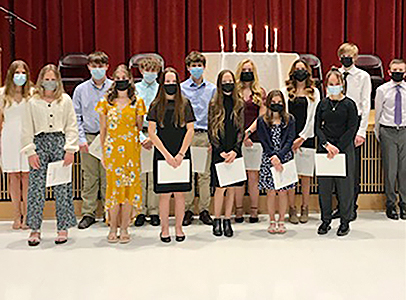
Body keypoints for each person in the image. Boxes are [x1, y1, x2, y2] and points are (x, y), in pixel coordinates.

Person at [21, 64, 79, 246]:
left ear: (58, 81)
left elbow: (71, 126)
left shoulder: (65, 100)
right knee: (36, 188)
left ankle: (63, 227)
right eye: (46, 79)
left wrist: (70, 149)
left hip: (60, 143)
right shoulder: (32, 101)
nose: (50, 83)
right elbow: (26, 128)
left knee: (63, 187)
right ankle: (34, 228)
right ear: (40, 81)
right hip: (40, 143)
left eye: (53, 79)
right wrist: (30, 151)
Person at [96, 64, 145, 243]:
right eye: (117, 78)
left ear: (130, 79)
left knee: (128, 191)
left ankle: (125, 227)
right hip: (112, 150)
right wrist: (103, 153)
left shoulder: (138, 102)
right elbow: (103, 129)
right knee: (114, 190)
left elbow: (139, 127)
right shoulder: (105, 102)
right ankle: (113, 227)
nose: (121, 81)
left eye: (124, 77)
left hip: (132, 151)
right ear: (113, 80)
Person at [147, 67, 195, 243]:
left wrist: (181, 153)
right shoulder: (155, 105)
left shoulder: (185, 104)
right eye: (167, 82)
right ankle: (165, 229)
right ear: (162, 83)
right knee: (165, 195)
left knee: (180, 194)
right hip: (162, 153)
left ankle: (179, 228)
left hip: (182, 153)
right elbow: (152, 132)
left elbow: (190, 130)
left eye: (173, 81)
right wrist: (166, 155)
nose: (170, 84)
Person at [315, 68, 358, 237]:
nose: (334, 86)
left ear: (342, 85)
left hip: (343, 149)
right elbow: (317, 127)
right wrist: (326, 144)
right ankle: (326, 220)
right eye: (331, 84)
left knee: (344, 187)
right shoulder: (323, 104)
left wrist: (338, 147)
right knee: (325, 187)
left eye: (337, 84)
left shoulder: (349, 104)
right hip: (325, 149)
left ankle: (345, 221)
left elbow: (352, 128)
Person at [73, 51, 113, 229]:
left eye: (101, 66)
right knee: (90, 177)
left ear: (107, 67)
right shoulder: (81, 90)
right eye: (94, 66)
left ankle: (108, 212)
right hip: (88, 137)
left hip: (109, 138)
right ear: (89, 67)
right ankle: (88, 213)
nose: (97, 69)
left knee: (107, 177)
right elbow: (76, 116)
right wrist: (81, 139)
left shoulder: (113, 88)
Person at [335, 43, 371, 221]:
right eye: (343, 55)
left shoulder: (362, 76)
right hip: (336, 123)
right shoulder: (336, 75)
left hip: (354, 123)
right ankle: (339, 205)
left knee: (352, 168)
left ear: (355, 58)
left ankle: (351, 206)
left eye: (350, 56)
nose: (346, 58)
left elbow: (366, 104)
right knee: (337, 166)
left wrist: (362, 131)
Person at [282, 59, 320, 224]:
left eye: (303, 69)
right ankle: (291, 208)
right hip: (288, 140)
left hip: (307, 138)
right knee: (290, 176)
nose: (300, 72)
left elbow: (314, 117)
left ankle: (305, 206)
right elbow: (282, 115)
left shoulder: (314, 92)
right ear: (292, 72)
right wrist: (291, 139)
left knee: (305, 176)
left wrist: (303, 137)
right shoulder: (285, 91)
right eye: (297, 69)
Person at [181, 51, 216, 226]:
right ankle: (187, 210)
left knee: (204, 175)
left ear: (204, 67)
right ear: (188, 68)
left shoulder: (212, 89)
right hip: (187, 135)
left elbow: (215, 115)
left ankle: (204, 210)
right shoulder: (181, 88)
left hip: (203, 135)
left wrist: (212, 138)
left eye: (199, 65)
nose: (196, 68)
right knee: (188, 173)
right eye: (193, 65)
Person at [208, 70, 245, 237]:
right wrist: (221, 151)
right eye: (225, 80)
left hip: (234, 151)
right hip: (219, 150)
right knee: (220, 188)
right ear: (220, 83)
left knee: (231, 188)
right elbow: (211, 130)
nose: (228, 83)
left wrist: (235, 151)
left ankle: (227, 220)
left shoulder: (239, 103)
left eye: (230, 80)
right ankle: (217, 219)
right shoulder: (214, 104)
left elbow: (241, 129)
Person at [257, 90, 296, 234]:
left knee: (283, 191)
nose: (276, 105)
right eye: (273, 103)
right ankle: (272, 220)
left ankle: (281, 220)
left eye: (279, 102)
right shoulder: (262, 120)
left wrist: (279, 156)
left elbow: (290, 139)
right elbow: (264, 141)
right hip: (269, 158)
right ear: (268, 103)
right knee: (271, 192)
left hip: (284, 159)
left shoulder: (289, 119)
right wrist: (273, 157)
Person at [0, 60, 32, 230]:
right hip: (9, 138)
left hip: (27, 139)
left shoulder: (32, 94)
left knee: (26, 176)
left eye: (23, 72)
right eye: (17, 72)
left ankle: (27, 215)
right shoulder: (2, 94)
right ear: (11, 74)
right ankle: (16, 215)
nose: (20, 76)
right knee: (13, 176)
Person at [235, 59, 266, 223]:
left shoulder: (260, 92)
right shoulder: (234, 91)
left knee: (253, 177)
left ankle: (254, 210)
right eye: (244, 69)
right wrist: (241, 135)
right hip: (237, 140)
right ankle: (239, 210)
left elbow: (261, 117)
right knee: (239, 177)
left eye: (250, 69)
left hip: (255, 140)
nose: (247, 72)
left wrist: (248, 133)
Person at [374, 59, 406, 220]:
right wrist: (378, 133)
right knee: (390, 170)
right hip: (388, 130)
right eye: (395, 69)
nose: (398, 72)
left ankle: (404, 203)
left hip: (405, 131)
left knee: (404, 170)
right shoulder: (382, 90)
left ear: (405, 72)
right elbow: (378, 112)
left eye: (401, 70)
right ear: (389, 71)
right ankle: (391, 203)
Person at [134, 56, 162, 227]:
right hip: (140, 135)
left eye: (153, 70)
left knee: (154, 176)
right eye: (147, 70)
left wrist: (154, 137)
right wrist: (142, 138)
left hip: (157, 135)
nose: (150, 73)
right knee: (140, 176)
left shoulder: (161, 89)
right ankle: (140, 211)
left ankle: (154, 210)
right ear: (141, 71)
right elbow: (131, 117)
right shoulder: (135, 89)